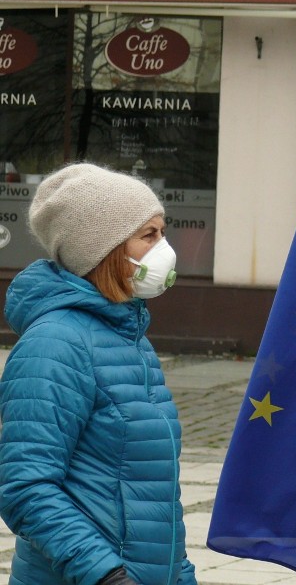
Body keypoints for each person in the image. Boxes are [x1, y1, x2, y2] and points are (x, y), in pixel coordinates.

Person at [0, 163, 195, 585]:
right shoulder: (56, 344)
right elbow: (26, 487)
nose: (164, 247)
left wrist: (180, 574)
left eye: (162, 232)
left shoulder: (130, 336)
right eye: (149, 235)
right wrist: (107, 575)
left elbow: (155, 490)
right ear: (103, 249)